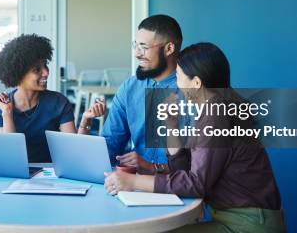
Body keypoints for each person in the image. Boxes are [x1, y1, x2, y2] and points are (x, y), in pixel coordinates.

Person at [104, 42, 285, 232]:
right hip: (241, 219)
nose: (177, 83)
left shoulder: (216, 114)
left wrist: (133, 182)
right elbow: (184, 170)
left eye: (179, 76)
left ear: (196, 83)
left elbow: (196, 184)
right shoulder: (215, 107)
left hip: (247, 225)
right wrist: (172, 125)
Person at [79, 14, 183, 175]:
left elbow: (199, 164)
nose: (137, 54)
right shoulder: (130, 87)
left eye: (144, 47)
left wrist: (152, 167)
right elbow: (111, 146)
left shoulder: (192, 89)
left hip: (178, 185)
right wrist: (85, 125)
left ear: (169, 48)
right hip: (135, 183)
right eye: (135, 45)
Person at [0, 34, 76, 163]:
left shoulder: (59, 102)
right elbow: (10, 155)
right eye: (37, 69)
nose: (46, 72)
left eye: (45, 65)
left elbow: (72, 149)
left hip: (52, 175)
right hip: (16, 173)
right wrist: (7, 114)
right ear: (18, 74)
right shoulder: (0, 107)